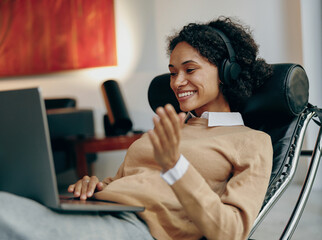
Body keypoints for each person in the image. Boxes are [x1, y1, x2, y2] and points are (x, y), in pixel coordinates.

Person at [0, 17, 273, 240]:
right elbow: (129, 181)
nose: (177, 82)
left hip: (140, 228)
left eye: (190, 70)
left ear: (227, 73)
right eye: (173, 72)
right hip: (99, 209)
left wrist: (176, 166)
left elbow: (231, 232)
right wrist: (94, 185)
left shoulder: (251, 141)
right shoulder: (168, 130)